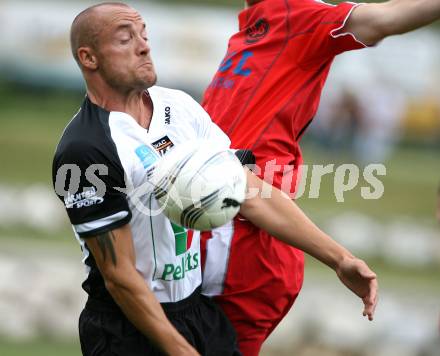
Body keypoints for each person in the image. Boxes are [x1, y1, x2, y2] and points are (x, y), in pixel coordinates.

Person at [52, 2, 377, 355]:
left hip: (197, 312)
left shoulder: (180, 108)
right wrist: (179, 350)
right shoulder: (85, 149)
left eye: (144, 34)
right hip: (126, 329)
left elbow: (249, 192)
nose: (144, 45)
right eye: (125, 39)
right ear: (89, 58)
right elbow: (119, 277)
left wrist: (339, 259)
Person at [201, 1, 440, 355]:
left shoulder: (297, 14)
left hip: (247, 231)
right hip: (223, 217)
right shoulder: (252, 24)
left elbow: (383, 19)